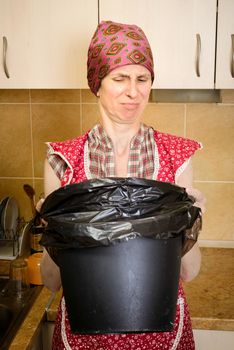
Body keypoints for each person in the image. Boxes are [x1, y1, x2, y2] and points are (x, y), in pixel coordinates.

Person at [40, 20, 205, 350]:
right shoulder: (63, 159)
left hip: (160, 337)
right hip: (82, 338)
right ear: (97, 83)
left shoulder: (176, 156)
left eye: (142, 79)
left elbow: (188, 270)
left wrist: (195, 221)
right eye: (120, 78)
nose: (134, 91)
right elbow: (52, 281)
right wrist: (51, 228)